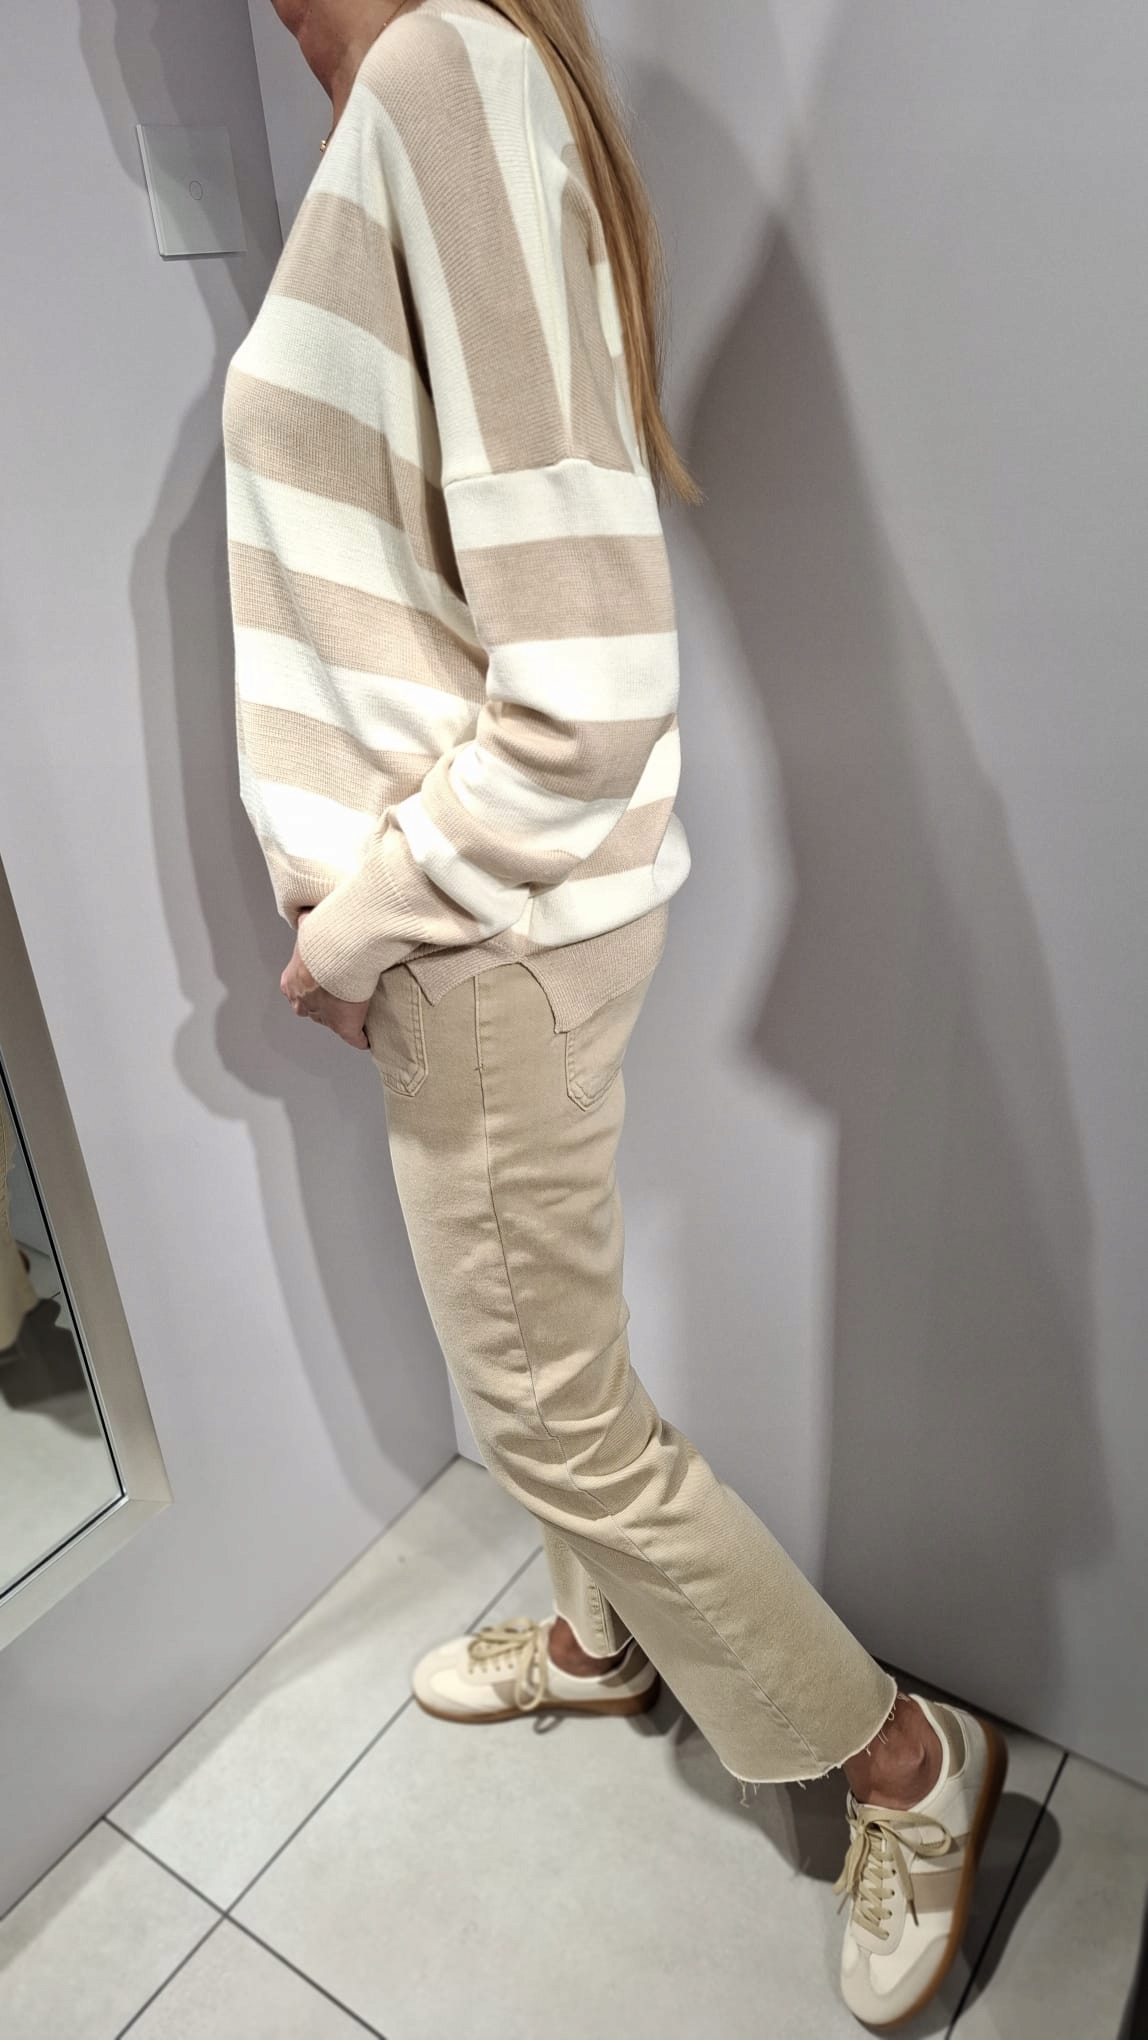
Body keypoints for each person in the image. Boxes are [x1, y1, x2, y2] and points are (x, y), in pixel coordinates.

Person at [223, 0, 1006, 2022]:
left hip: (475, 938)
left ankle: (903, 1760)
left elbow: (584, 683)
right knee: (551, 1352)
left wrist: (357, 925)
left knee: (544, 1412)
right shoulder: (442, 94)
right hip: (486, 931)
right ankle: (599, 1643)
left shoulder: (441, 80)